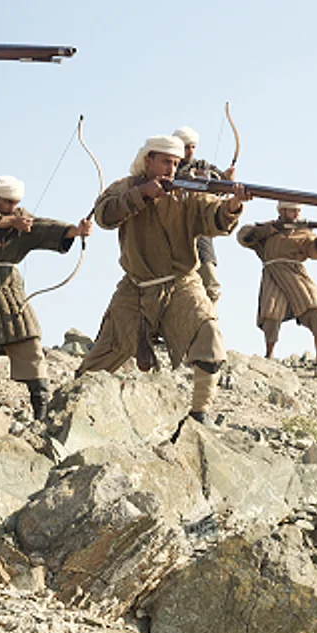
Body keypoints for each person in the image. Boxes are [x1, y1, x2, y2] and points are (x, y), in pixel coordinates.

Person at [75, 135, 249, 427]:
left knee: (208, 335)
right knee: (102, 356)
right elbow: (105, 215)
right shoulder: (125, 186)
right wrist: (141, 195)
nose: (172, 169)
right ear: (148, 161)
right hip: (136, 286)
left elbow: (213, 216)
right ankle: (71, 406)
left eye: (176, 163)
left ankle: (199, 413)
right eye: (166, 162)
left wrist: (232, 204)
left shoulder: (186, 192)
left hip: (182, 283)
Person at [0, 175, 92, 421]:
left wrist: (75, 231)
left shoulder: (21, 219)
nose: (13, 207)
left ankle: (41, 411)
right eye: (8, 202)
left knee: (28, 342)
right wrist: (11, 222)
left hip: (6, 289)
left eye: (15, 203)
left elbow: (42, 227)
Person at [237, 201, 317, 370]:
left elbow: (314, 252)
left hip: (296, 273)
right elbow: (243, 236)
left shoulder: (304, 231)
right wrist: (267, 230)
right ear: (282, 211)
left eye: (298, 211)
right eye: (292, 210)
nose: (296, 214)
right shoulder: (269, 229)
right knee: (271, 313)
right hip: (273, 273)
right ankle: (269, 354)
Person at [173, 126, 231, 303]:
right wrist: (189, 177)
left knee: (210, 281)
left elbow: (219, 184)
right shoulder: (168, 166)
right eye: (186, 147)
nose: (190, 151)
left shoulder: (202, 165)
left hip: (199, 228)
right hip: (174, 229)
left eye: (192, 147)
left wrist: (226, 179)